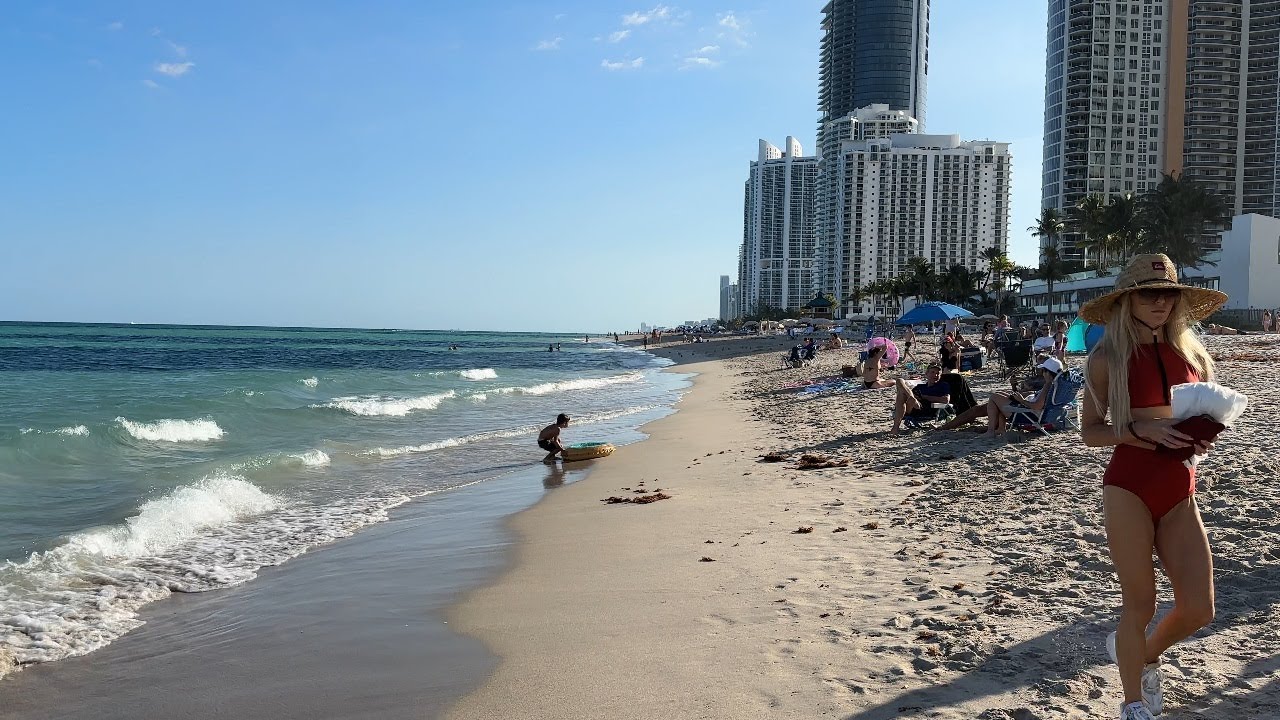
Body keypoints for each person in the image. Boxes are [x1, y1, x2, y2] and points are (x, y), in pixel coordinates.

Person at [1078, 254, 1227, 720]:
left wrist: (1203, 434)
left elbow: (1195, 415)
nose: (1160, 301)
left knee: (1199, 609)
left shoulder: (1193, 356)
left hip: (1181, 487)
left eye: (1168, 293)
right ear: (1128, 300)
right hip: (1128, 487)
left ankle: (1142, 655)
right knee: (1139, 601)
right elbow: (1089, 432)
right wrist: (1141, 431)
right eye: (1148, 293)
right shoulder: (1107, 359)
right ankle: (1133, 703)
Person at [978, 356, 1064, 438]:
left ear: (1048, 373)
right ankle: (1000, 429)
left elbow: (1037, 406)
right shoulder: (1058, 385)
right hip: (1037, 412)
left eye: (1044, 371)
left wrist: (1022, 401)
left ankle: (991, 431)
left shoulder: (1048, 386)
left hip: (1028, 415)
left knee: (994, 397)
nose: (1042, 373)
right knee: (1002, 395)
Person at [890, 363, 950, 434]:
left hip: (925, 408)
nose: (935, 375)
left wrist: (924, 397)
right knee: (900, 381)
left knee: (904, 395)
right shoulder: (920, 387)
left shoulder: (943, 385)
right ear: (926, 374)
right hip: (911, 406)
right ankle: (911, 397)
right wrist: (913, 397)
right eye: (932, 372)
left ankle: (895, 428)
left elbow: (946, 400)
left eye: (938, 373)